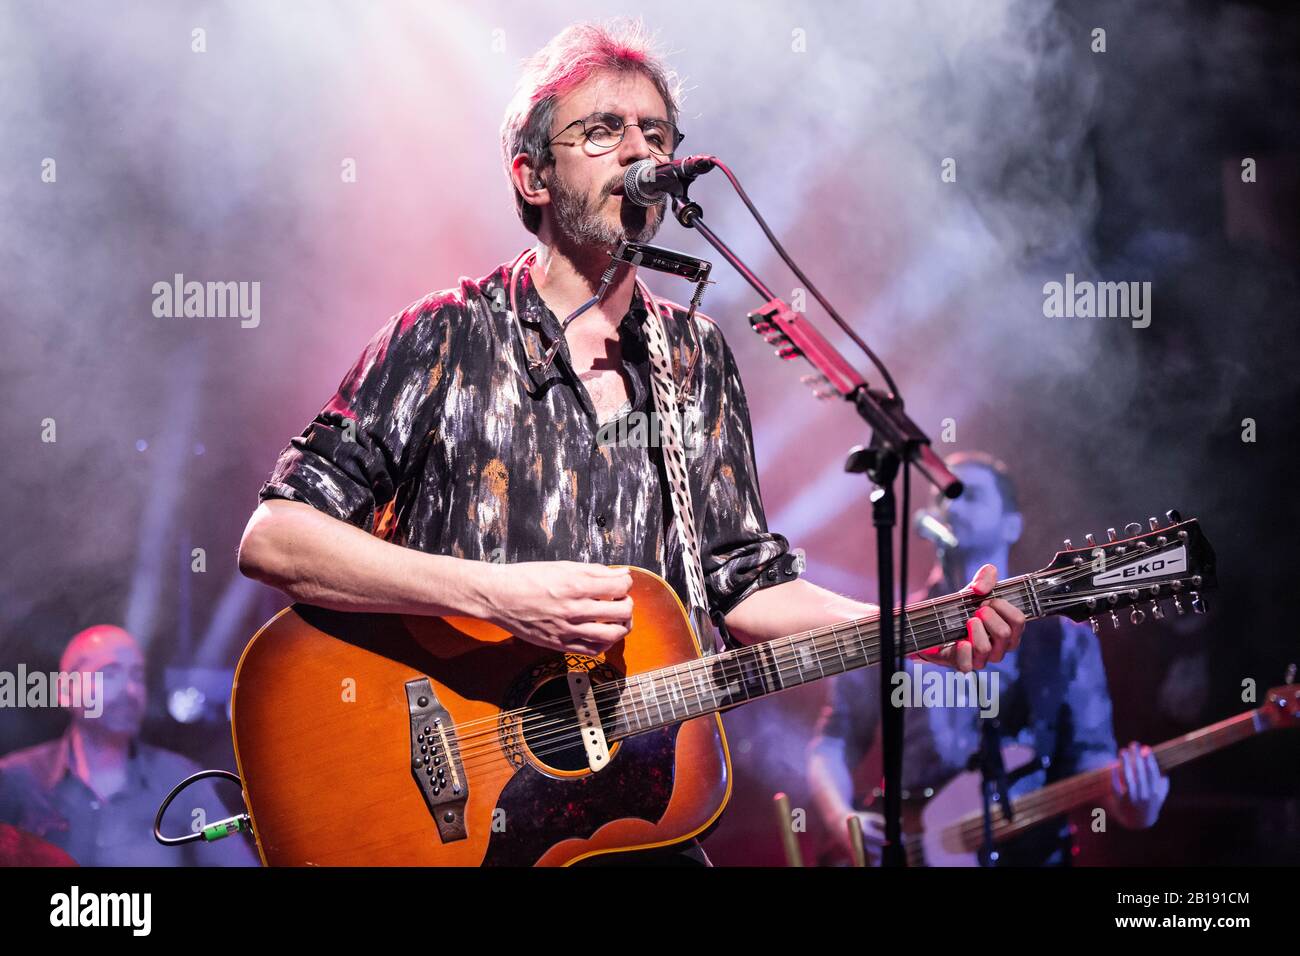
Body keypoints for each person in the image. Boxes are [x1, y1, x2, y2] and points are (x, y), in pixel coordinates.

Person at [237, 19, 1025, 865]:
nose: (636, 150)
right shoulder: (447, 335)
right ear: (532, 175)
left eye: (655, 133)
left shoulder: (696, 356)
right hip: (456, 823)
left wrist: (909, 627)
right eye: (602, 130)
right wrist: (491, 595)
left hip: (630, 812)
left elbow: (743, 585)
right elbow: (277, 538)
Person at [807, 452, 1169, 866]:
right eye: (941, 496)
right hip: (911, 851)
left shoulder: (1065, 639)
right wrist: (842, 818)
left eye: (968, 495)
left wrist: (1133, 807)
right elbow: (833, 741)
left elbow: (1091, 758)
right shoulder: (889, 629)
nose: (951, 506)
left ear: (1012, 524)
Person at [0, 625, 259, 866]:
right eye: (109, 673)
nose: (129, 689)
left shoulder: (182, 779)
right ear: (66, 690)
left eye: (137, 675)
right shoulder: (16, 779)